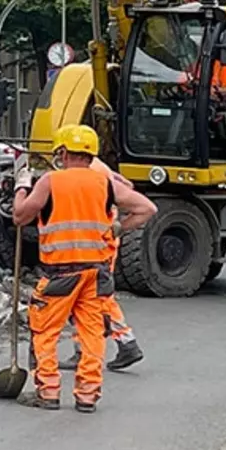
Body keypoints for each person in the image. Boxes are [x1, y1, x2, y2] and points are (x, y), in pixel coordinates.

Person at [12, 125, 157, 412]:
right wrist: (117, 229)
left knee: (45, 331)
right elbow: (147, 209)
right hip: (95, 273)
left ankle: (49, 392)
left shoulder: (51, 181)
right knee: (92, 333)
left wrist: (21, 186)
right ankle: (88, 395)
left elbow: (19, 216)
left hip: (59, 274)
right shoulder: (105, 183)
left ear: (63, 153)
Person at [60, 155, 145, 372]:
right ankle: (85, 348)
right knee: (89, 296)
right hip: (98, 241)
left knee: (97, 296)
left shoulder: (88, 170)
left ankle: (125, 342)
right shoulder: (97, 165)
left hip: (95, 244)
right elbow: (126, 184)